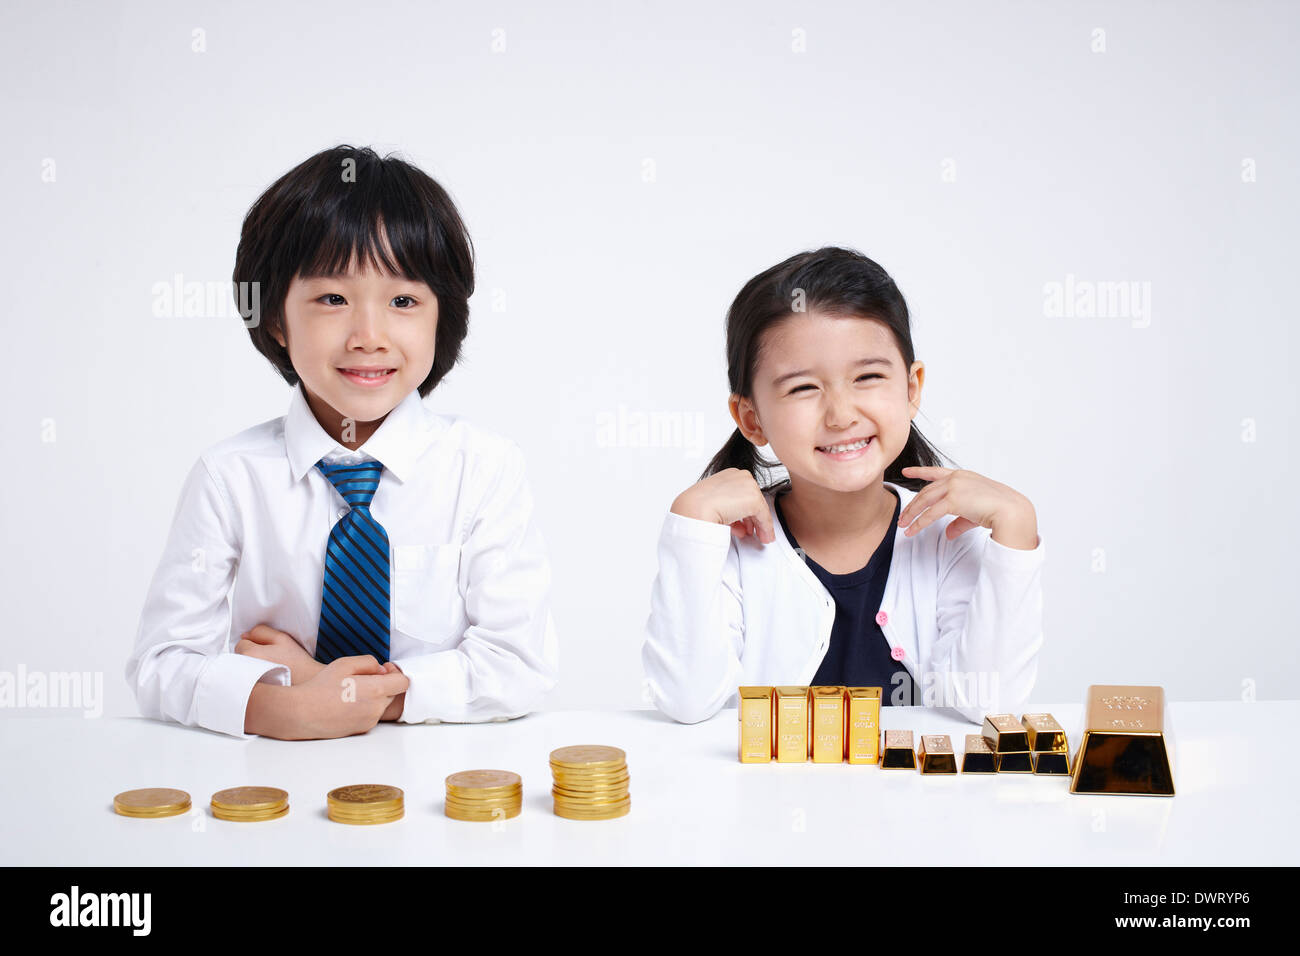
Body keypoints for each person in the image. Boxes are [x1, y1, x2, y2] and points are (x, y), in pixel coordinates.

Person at [127, 145, 558, 740]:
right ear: (276, 318)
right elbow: (161, 664)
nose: (369, 337)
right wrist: (284, 710)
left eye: (403, 301)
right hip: (273, 788)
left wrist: (319, 688)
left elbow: (517, 667)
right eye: (332, 299)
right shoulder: (230, 477)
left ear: (442, 318)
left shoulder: (484, 469)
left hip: (436, 790)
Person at [642, 247, 1044, 724]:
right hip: (764, 799)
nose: (841, 414)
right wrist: (691, 528)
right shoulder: (729, 546)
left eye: (868, 376)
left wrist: (1016, 533)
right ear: (751, 418)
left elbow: (990, 705)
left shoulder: (951, 536)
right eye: (803, 388)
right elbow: (686, 702)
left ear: (912, 388)